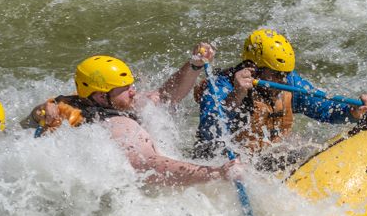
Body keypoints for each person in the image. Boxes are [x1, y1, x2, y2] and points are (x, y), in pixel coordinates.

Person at [29, 54, 242, 187]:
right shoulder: (119, 127)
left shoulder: (78, 102)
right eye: (125, 89)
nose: (133, 91)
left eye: (131, 85)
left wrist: (193, 66)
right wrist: (215, 173)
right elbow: (148, 166)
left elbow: (165, 95)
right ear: (101, 96)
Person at [194, 28, 367, 170]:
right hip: (224, 163)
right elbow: (210, 132)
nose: (283, 80)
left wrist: (353, 112)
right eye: (276, 74)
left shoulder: (289, 81)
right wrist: (237, 95)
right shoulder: (221, 85)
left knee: (306, 145)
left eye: (286, 73)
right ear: (252, 68)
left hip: (266, 156)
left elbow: (325, 109)